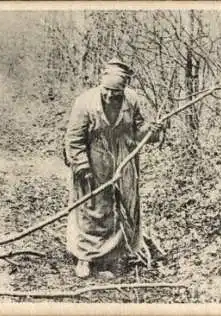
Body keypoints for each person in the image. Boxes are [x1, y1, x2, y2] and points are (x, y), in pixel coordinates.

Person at [64, 58, 163, 278]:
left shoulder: (132, 100)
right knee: (92, 208)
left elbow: (137, 133)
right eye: (107, 90)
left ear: (124, 89)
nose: (110, 96)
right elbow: (74, 139)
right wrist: (82, 166)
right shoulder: (85, 102)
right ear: (101, 85)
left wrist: (152, 130)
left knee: (119, 206)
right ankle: (85, 258)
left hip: (123, 161)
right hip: (94, 160)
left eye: (116, 92)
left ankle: (110, 258)